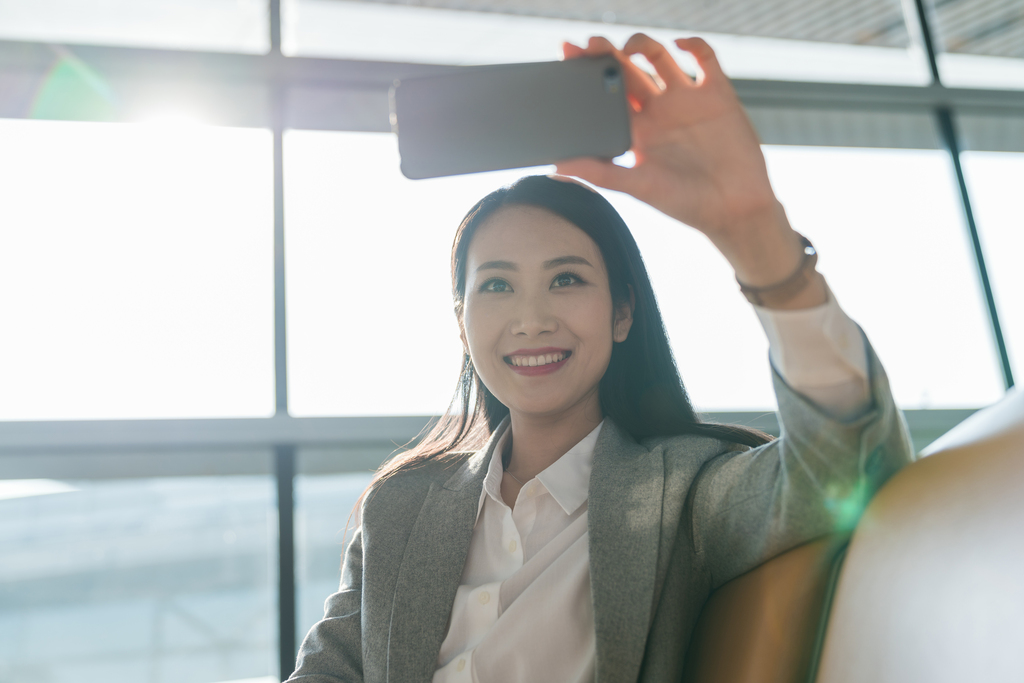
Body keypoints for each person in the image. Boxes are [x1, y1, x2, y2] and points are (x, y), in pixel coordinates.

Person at [288, 34, 914, 683]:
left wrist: (755, 230)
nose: (531, 319)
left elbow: (848, 460)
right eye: (497, 285)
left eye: (566, 280)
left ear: (622, 312)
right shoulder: (400, 506)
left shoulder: (684, 495)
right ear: (462, 321)